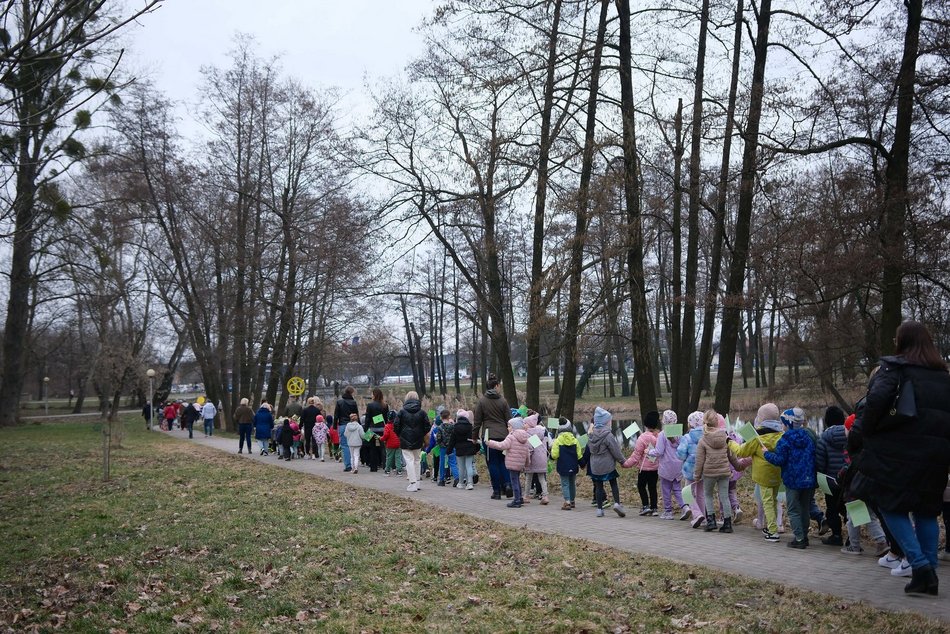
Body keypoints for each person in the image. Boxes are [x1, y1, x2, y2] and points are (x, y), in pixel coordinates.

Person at [850, 320, 950, 596]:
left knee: (889, 505)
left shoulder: (894, 370)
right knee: (927, 509)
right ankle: (929, 576)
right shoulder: (943, 377)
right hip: (936, 456)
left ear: (901, 342)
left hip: (898, 454)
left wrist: (860, 435)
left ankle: (920, 566)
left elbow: (873, 407)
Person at [730, 403, 785, 542]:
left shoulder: (757, 438)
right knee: (773, 500)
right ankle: (772, 526)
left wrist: (729, 442)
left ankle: (773, 531)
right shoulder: (782, 435)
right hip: (778, 474)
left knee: (767, 502)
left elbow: (741, 451)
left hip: (764, 476)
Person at [765, 408, 818, 548]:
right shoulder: (809, 436)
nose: (781, 426)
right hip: (809, 479)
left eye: (783, 423)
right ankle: (805, 537)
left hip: (793, 481)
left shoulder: (785, 440)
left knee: (793, 510)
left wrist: (766, 453)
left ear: (788, 424)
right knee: (805, 509)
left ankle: (799, 539)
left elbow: (780, 460)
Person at [694, 409, 741, 533]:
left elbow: (699, 460)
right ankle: (727, 523)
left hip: (709, 472)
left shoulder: (703, 440)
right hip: (724, 472)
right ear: (717, 422)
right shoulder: (726, 438)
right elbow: (732, 456)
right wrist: (738, 466)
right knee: (724, 496)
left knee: (708, 495)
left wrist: (697, 475)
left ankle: (711, 521)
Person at [472, 373, 512, 500]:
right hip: (504, 436)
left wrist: (474, 437)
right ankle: (507, 485)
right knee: (503, 461)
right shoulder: (503, 401)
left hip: (489, 436)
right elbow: (509, 420)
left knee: (492, 463)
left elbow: (477, 422)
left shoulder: (482, 402)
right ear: (496, 386)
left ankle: (496, 491)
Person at [583, 407, 627, 518]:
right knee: (613, 483)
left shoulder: (591, 435)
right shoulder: (608, 435)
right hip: (608, 465)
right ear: (605, 422)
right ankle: (617, 503)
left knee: (598, 486)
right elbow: (615, 450)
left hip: (595, 466)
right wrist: (622, 461)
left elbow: (589, 449)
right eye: (609, 421)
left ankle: (599, 509)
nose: (610, 423)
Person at [815, 406, 848, 546]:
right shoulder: (852, 435)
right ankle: (854, 538)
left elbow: (820, 463)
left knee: (832, 509)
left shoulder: (824, 438)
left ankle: (836, 536)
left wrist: (820, 476)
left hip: (831, 481)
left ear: (827, 421)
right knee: (852, 508)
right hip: (851, 480)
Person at [487, 417, 531, 508]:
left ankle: (517, 500)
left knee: (514, 481)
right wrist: (527, 463)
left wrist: (490, 443)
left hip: (512, 463)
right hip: (520, 463)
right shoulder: (525, 437)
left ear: (514, 427)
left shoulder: (511, 436)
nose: (508, 428)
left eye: (509, 426)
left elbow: (502, 445)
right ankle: (520, 498)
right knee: (517, 480)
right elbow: (527, 452)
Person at [623, 410, 660, 516]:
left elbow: (636, 456)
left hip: (643, 469)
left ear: (645, 424)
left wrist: (626, 464)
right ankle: (654, 508)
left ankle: (645, 506)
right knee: (652, 487)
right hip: (655, 468)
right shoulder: (658, 437)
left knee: (641, 486)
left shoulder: (642, 438)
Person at [654, 411, 686, 520]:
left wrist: (649, 452)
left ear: (663, 421)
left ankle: (668, 511)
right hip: (678, 466)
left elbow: (659, 451)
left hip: (666, 467)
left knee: (666, 489)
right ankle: (685, 507)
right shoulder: (680, 434)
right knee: (678, 489)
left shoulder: (662, 434)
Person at [395, 391, 429, 491]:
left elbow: (396, 425)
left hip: (405, 438)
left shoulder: (401, 412)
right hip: (418, 439)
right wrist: (421, 433)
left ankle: (412, 482)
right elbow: (427, 426)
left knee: (409, 460)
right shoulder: (422, 412)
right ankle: (417, 482)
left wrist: (400, 434)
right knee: (417, 460)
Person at [677, 412, 707, 528]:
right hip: (704, 468)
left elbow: (681, 454)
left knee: (686, 492)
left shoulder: (687, 437)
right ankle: (703, 517)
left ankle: (697, 514)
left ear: (690, 423)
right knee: (700, 494)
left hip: (690, 470)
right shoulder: (707, 435)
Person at [551, 418, 582, 510]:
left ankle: (567, 502)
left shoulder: (558, 440)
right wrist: (582, 463)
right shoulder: (575, 440)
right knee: (572, 483)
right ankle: (572, 501)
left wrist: (551, 457)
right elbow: (579, 454)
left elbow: (554, 455)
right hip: (573, 466)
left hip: (563, 466)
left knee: (565, 484)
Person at [523, 414, 551, 505]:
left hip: (533, 460)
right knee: (542, 478)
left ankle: (526, 496)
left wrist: (526, 459)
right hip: (542, 459)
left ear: (529, 424)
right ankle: (545, 496)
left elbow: (530, 449)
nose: (524, 425)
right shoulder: (541, 432)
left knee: (528, 478)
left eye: (525, 423)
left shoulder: (529, 434)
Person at [449, 409, 478, 489]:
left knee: (461, 467)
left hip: (459, 449)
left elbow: (452, 440)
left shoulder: (455, 427)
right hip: (469, 448)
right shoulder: (471, 427)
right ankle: (470, 483)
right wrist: (476, 448)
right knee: (469, 466)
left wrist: (449, 450)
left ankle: (461, 483)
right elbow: (475, 438)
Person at [334, 386, 359, 472]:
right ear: (352, 393)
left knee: (344, 445)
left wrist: (334, 426)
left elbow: (336, 415)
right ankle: (354, 464)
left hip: (342, 425)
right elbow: (356, 414)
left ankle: (348, 465)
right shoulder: (353, 402)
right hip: (353, 424)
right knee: (353, 445)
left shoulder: (339, 402)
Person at [363, 388, 388, 472]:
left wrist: (366, 430)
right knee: (382, 448)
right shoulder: (385, 405)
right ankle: (385, 465)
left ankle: (373, 466)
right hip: (382, 428)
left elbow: (368, 419)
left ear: (374, 395)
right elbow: (385, 418)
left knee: (372, 448)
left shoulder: (370, 405)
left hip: (371, 429)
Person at [381, 411, 404, 476]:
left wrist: (381, 438)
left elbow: (386, 435)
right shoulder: (399, 425)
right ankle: (399, 471)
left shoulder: (387, 426)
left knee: (389, 457)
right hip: (398, 443)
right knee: (398, 457)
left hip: (390, 444)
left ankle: (387, 471)